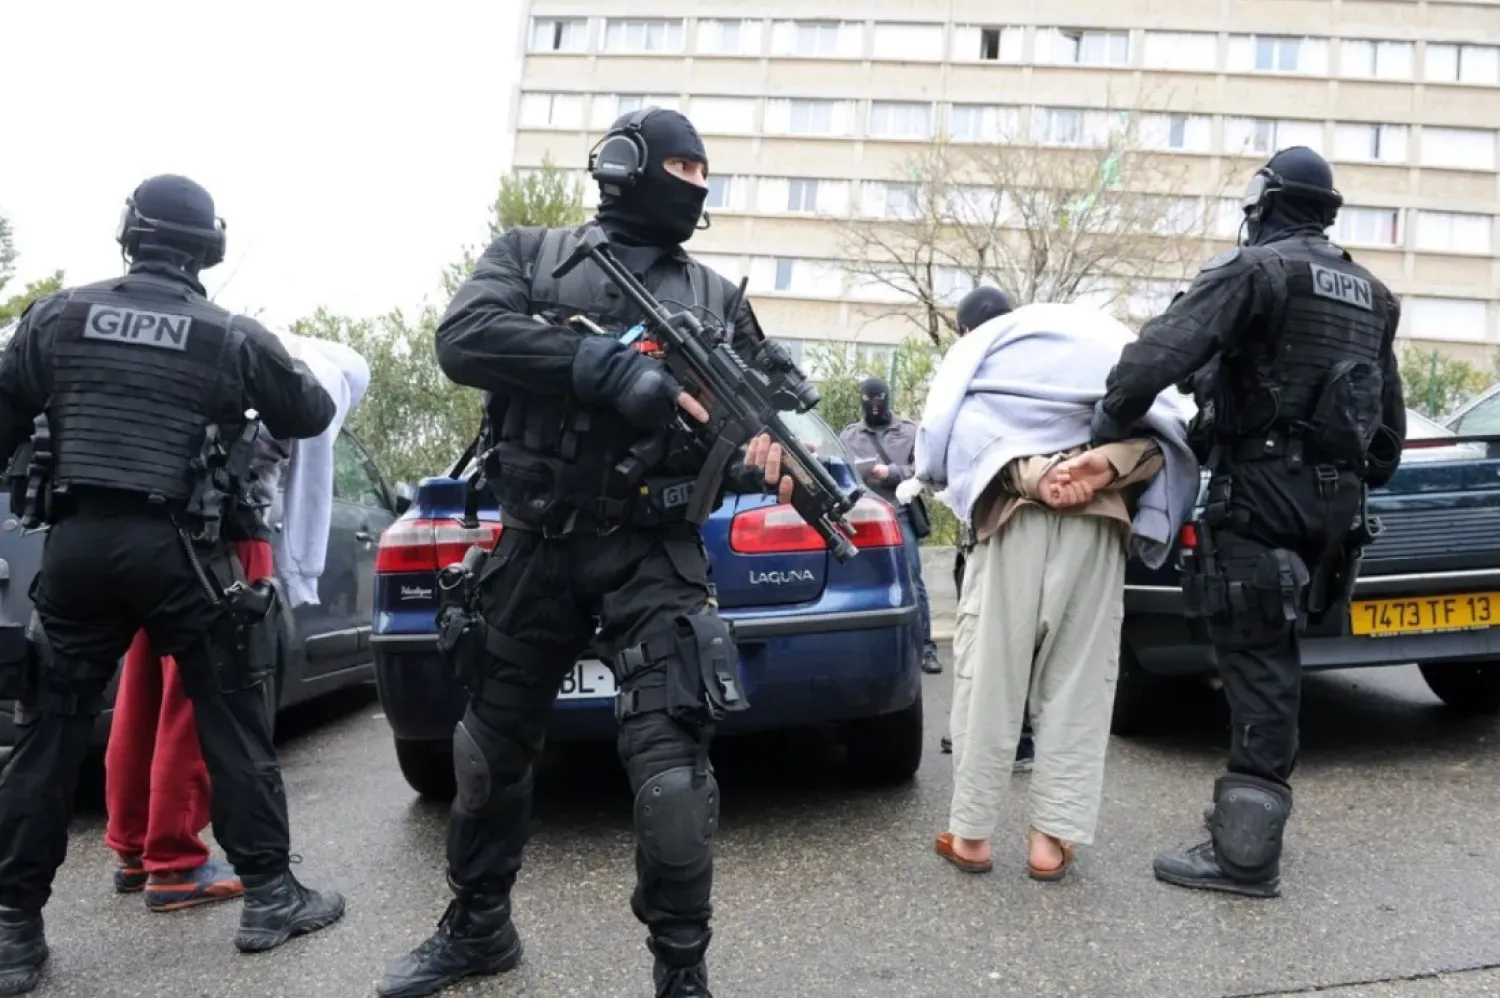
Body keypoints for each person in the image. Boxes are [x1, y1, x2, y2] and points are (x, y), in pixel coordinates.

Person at [376, 107, 794, 998]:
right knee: (488, 748)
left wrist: (774, 461)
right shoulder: (530, 255)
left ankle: (682, 971)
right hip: (535, 542)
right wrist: (602, 368)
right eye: (679, 166)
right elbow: (464, 339)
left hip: (655, 553)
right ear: (623, 165)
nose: (696, 184)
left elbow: (769, 424)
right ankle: (478, 928)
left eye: (702, 171)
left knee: (673, 771)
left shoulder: (718, 299)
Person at [0, 174, 346, 995]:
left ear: (130, 233)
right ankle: (270, 897)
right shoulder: (229, 333)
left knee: (48, 736)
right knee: (231, 721)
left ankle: (14, 934)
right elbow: (306, 412)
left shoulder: (56, 315)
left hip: (76, 546)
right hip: (183, 552)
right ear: (209, 248)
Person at [1090, 147, 1407, 898]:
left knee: (1260, 666)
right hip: (1333, 510)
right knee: (1276, 660)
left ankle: (1244, 856)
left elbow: (1144, 365)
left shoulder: (1255, 272)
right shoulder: (1375, 296)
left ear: (1262, 203)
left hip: (1260, 495)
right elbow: (1387, 445)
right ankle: (1245, 821)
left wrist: (1108, 427)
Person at [912, 301, 1196, 882]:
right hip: (1099, 525)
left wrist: (1033, 474)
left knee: (990, 677)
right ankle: (1051, 842)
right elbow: (1167, 431)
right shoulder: (1100, 345)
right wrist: (1107, 465)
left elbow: (956, 438)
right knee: (1079, 682)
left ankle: (970, 837)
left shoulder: (985, 359)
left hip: (1012, 519)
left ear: (972, 329)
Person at [839, 378, 941, 674]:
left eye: (878, 401)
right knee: (864, 583)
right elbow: (841, 470)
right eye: (867, 401)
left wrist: (892, 472)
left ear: (887, 398)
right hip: (865, 519)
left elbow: (925, 469)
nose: (873, 407)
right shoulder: (850, 435)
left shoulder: (908, 431)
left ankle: (926, 649)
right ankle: (871, 652)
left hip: (900, 514)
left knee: (912, 580)